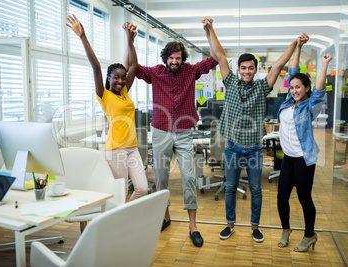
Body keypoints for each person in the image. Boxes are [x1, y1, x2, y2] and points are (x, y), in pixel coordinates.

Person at [202, 16, 308, 243]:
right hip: (231, 148)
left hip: (252, 150)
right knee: (230, 188)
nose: (247, 71)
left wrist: (295, 43)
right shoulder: (229, 81)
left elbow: (279, 64)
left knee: (256, 190)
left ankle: (254, 226)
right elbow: (219, 55)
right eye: (243, 68)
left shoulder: (262, 87)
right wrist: (209, 29)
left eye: (251, 68)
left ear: (256, 69)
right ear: (238, 69)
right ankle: (229, 224)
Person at [127, 25, 218, 247]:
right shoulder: (156, 72)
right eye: (171, 58)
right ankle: (165, 215)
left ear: (182, 58)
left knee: (188, 177)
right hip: (160, 131)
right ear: (165, 58)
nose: (174, 62)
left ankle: (193, 225)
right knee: (161, 177)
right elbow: (133, 67)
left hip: (185, 132)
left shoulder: (191, 71)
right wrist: (130, 42)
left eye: (178, 58)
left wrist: (209, 31)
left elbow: (215, 58)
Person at [66, 14, 148, 202]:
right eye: (116, 77)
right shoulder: (104, 96)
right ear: (109, 78)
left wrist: (130, 41)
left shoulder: (125, 92)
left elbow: (134, 65)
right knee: (121, 192)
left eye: (122, 77)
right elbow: (95, 67)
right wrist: (82, 36)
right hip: (116, 149)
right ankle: (118, 225)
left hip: (132, 148)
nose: (120, 80)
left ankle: (126, 216)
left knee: (142, 189)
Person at [276, 38, 332, 251]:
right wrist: (298, 47)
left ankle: (309, 235)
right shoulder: (288, 102)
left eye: (298, 87)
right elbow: (293, 71)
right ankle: (286, 229)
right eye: (292, 87)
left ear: (306, 88)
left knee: (304, 198)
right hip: (288, 158)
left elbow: (318, 92)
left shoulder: (310, 107)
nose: (294, 90)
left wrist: (324, 64)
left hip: (303, 159)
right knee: (282, 197)